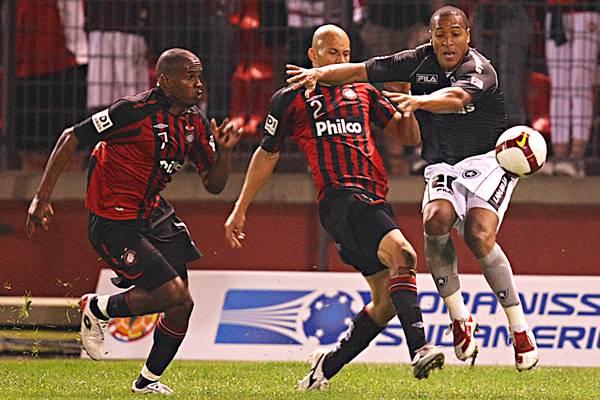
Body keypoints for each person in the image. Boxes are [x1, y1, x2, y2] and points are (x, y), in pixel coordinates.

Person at [286, 5, 539, 371]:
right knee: (435, 221)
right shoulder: (417, 61)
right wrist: (319, 73)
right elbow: (360, 70)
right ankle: (460, 319)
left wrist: (418, 101)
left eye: (455, 34)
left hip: (487, 162)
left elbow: (455, 99)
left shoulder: (480, 70)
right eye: (440, 34)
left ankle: (519, 328)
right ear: (431, 36)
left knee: (478, 236)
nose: (447, 41)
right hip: (442, 164)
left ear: (467, 36)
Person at [225, 24, 444, 391]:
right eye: (332, 54)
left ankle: (324, 369)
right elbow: (267, 153)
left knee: (385, 304)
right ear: (313, 55)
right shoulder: (291, 98)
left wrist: (407, 101)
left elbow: (408, 139)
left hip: (375, 199)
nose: (341, 60)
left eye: (345, 54)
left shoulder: (363, 90)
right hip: (341, 200)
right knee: (403, 254)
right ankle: (420, 348)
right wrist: (240, 207)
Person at [26, 48, 243, 395]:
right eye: (190, 77)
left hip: (154, 213)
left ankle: (147, 382)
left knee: (181, 306)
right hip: (114, 220)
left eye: (199, 76)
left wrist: (226, 151)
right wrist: (41, 197)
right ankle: (97, 307)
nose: (198, 84)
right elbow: (71, 137)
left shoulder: (195, 122)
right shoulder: (132, 111)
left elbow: (214, 185)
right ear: (165, 80)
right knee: (173, 295)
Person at [544, 0, 600, 177]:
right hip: (556, 14)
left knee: (580, 85)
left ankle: (577, 157)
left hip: (587, 11)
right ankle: (559, 154)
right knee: (558, 87)